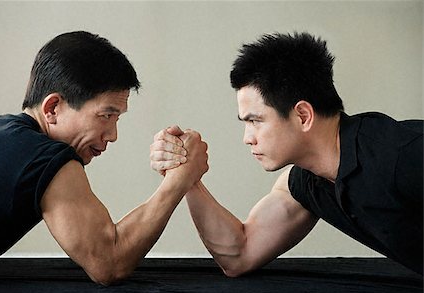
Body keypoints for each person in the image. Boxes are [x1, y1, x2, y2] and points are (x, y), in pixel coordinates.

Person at [150, 32, 423, 276]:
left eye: (255, 121)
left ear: (303, 115)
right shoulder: (305, 183)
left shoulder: (406, 155)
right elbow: (239, 255)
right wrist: (187, 175)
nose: (247, 138)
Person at [0, 31, 208, 285]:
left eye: (117, 118)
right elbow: (109, 262)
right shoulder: (45, 157)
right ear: (52, 108)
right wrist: (179, 179)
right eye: (106, 115)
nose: (113, 135)